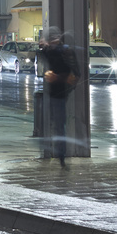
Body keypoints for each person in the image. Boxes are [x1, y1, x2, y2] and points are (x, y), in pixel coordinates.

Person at [39, 27, 79, 166]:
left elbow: (76, 73)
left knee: (59, 124)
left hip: (60, 93)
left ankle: (61, 155)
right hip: (53, 92)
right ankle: (59, 154)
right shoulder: (50, 51)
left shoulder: (65, 51)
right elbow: (41, 54)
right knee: (56, 124)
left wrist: (58, 78)